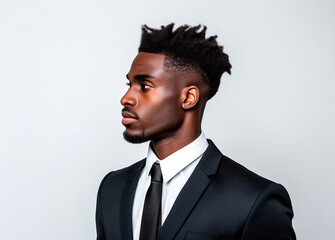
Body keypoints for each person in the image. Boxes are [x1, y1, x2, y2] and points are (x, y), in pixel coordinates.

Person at [96, 23, 296, 240]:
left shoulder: (254, 199)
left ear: (189, 97)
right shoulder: (112, 188)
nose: (126, 98)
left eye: (145, 86)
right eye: (130, 84)